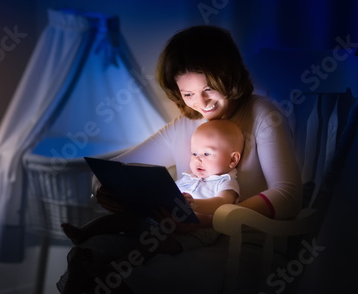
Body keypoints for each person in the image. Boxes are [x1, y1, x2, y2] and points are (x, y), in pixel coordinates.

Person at [57, 25, 302, 294]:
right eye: (188, 94)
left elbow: (287, 194)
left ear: (229, 75)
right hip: (174, 235)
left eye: (209, 88)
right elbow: (111, 169)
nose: (202, 103)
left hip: (244, 243)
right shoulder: (186, 124)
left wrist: (210, 219)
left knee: (152, 275)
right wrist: (101, 189)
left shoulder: (263, 114)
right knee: (96, 251)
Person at [61, 119, 244, 255]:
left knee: (156, 245)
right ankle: (84, 232)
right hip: (162, 221)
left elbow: (223, 204)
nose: (197, 159)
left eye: (206, 153)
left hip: (193, 233)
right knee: (125, 218)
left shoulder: (225, 182)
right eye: (194, 153)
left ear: (233, 159)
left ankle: (124, 263)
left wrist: (195, 206)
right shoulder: (189, 178)